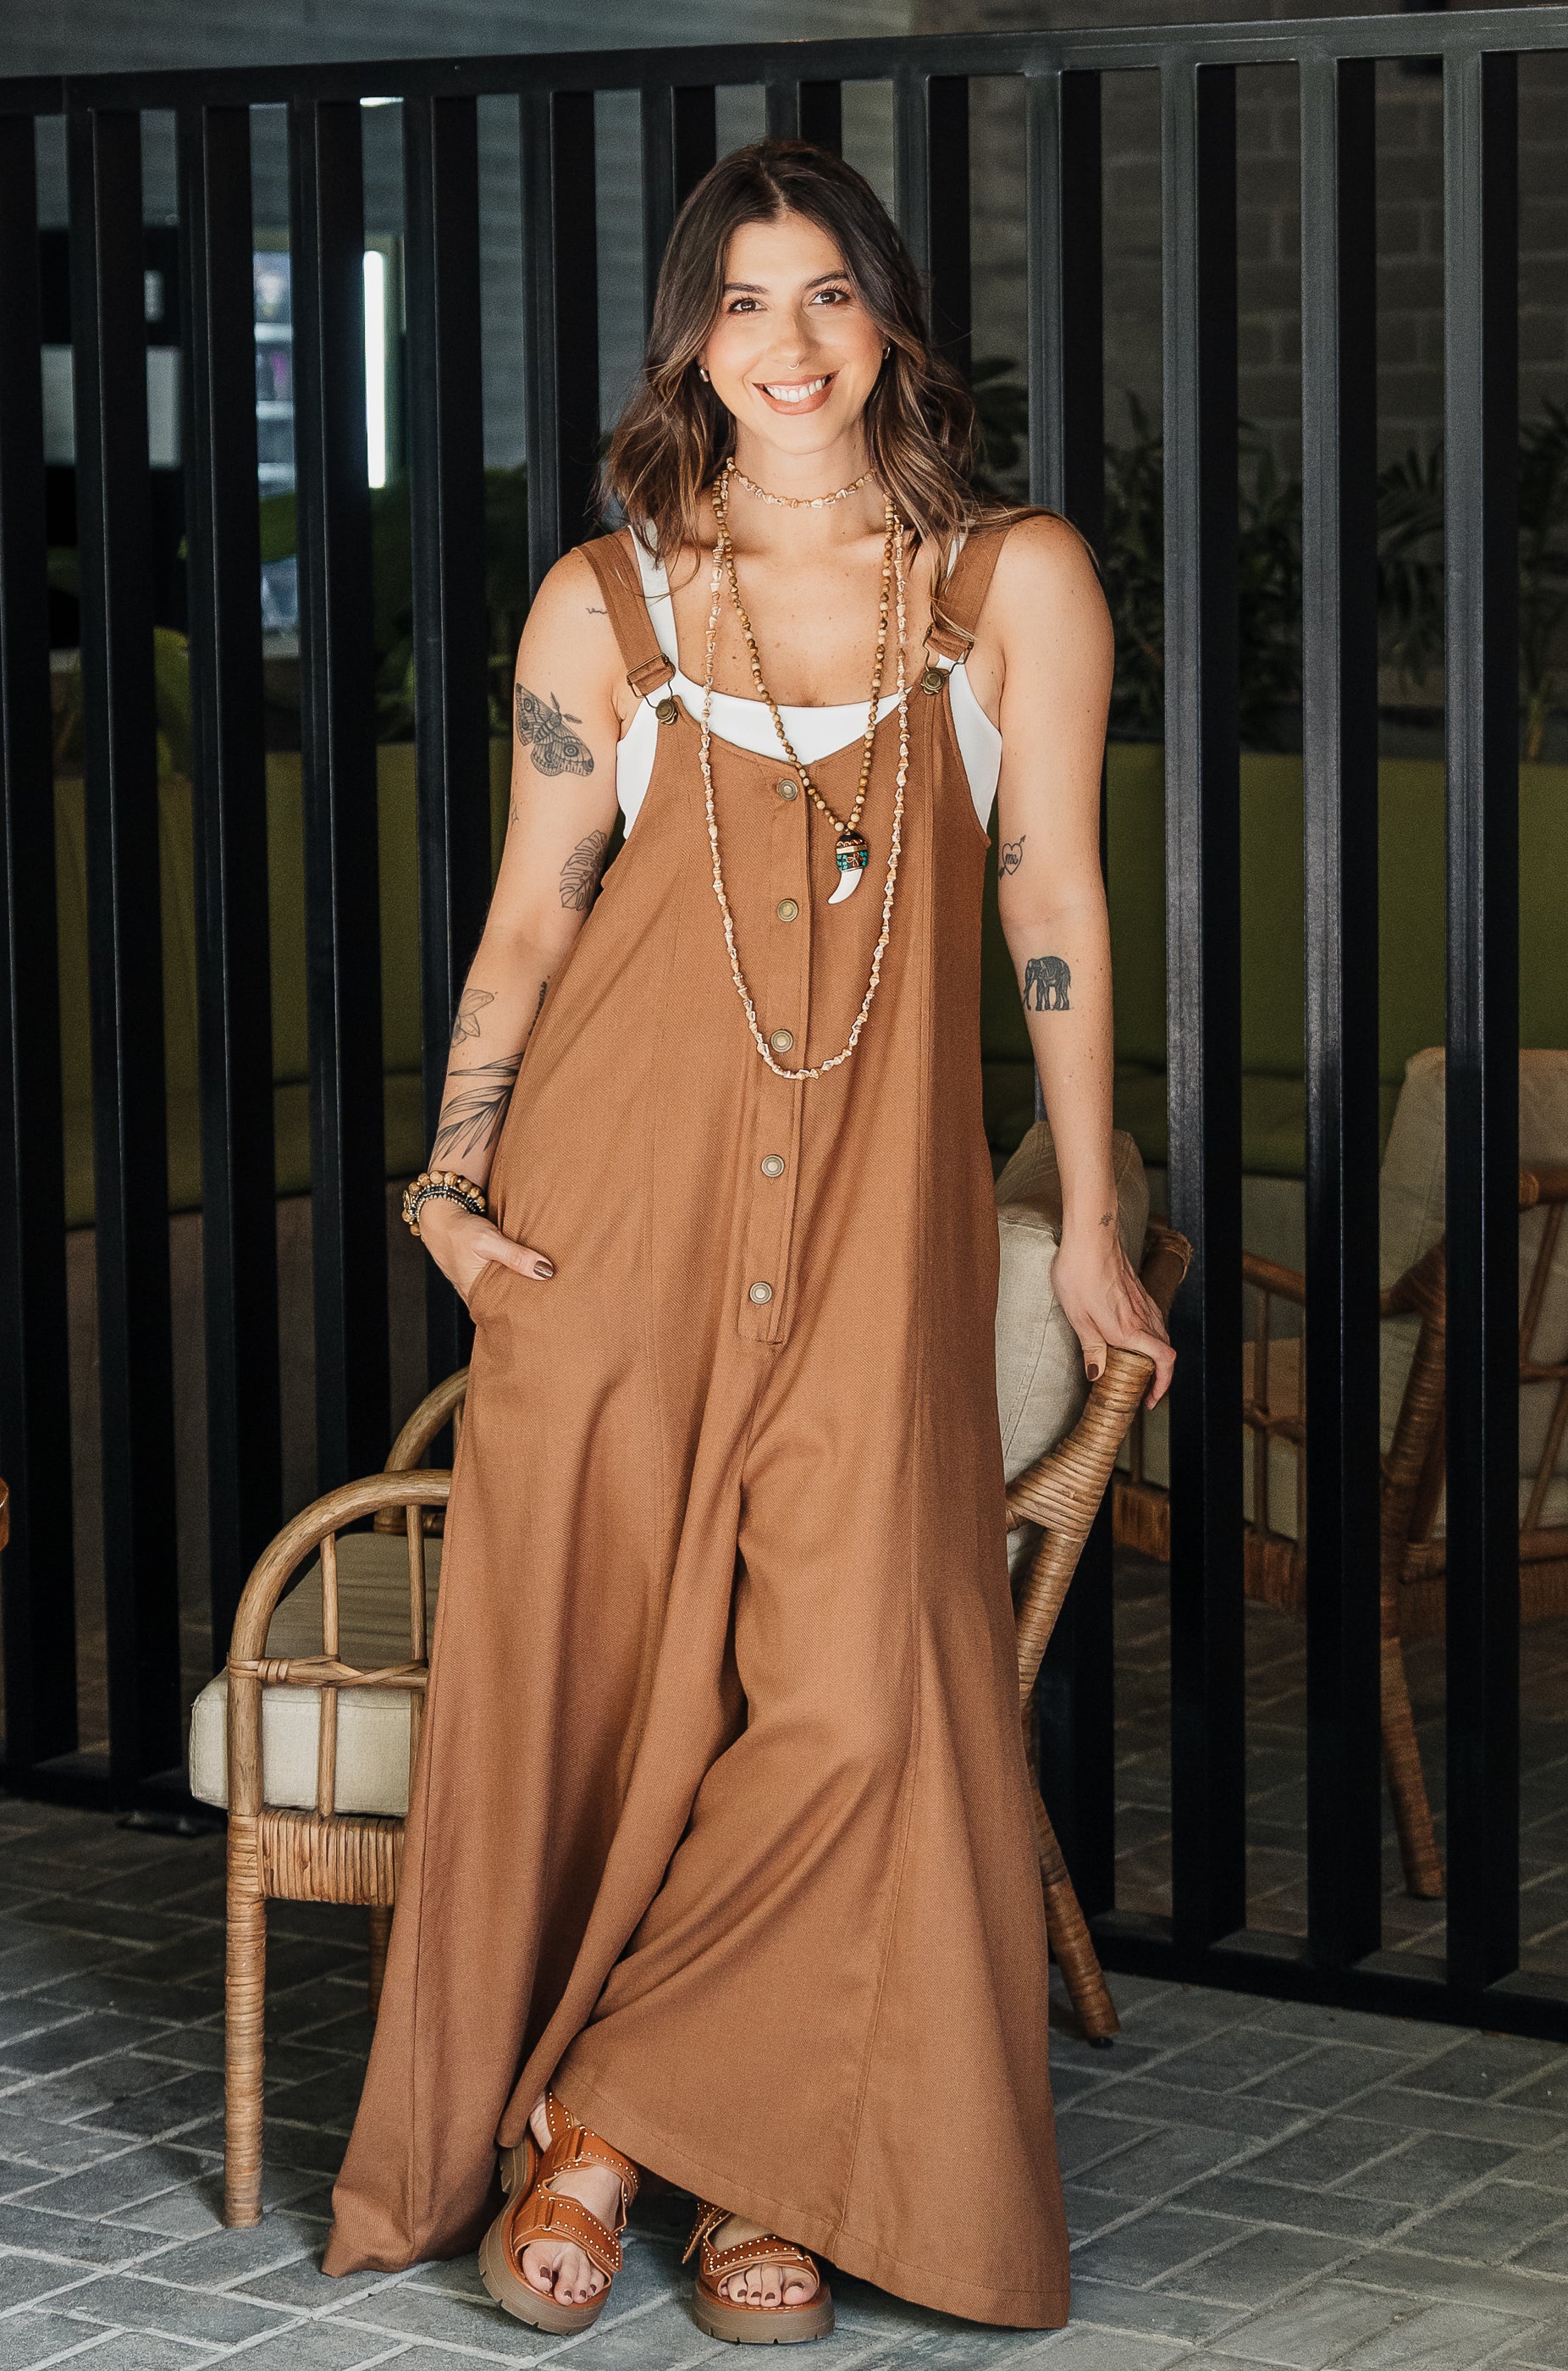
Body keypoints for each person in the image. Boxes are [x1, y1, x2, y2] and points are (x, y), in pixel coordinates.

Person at [324, 136, 1173, 2343]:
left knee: (861, 1696)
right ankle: (738, 2186)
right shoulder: (603, 607)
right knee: (619, 1678)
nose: (786, 344)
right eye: (741, 301)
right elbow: (529, 927)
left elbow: (1055, 897)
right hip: (609, 1218)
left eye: (827, 295)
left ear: (888, 319)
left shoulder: (1009, 583)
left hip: (879, 1231)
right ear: (687, 341)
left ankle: (606, 2116)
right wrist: (448, 1185)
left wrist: (1088, 1218)